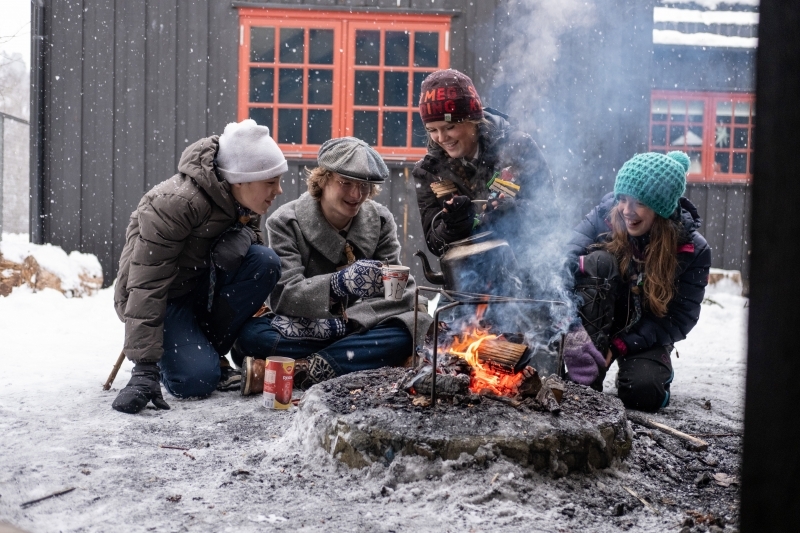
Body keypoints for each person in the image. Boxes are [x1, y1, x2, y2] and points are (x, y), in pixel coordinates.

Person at [112, 119, 286, 414]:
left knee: (265, 262)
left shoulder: (245, 201)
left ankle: (203, 350)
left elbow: (252, 255)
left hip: (202, 288)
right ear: (240, 178)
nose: (278, 191)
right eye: (271, 182)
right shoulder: (175, 203)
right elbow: (145, 284)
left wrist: (241, 237)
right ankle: (188, 361)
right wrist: (144, 368)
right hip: (165, 298)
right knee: (195, 381)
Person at [234, 137, 432, 391]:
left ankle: (297, 370)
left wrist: (355, 320)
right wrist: (339, 284)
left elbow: (398, 293)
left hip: (363, 326)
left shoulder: (381, 220)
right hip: (310, 328)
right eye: (345, 182)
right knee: (253, 336)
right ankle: (363, 358)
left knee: (411, 326)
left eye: (364, 185)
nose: (356, 194)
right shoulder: (285, 222)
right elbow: (285, 295)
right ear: (323, 178)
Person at [564, 151, 711, 412]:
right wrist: (572, 328)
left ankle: (653, 371)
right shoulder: (603, 217)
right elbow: (562, 263)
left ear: (661, 207)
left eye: (639, 203)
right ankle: (589, 372)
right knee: (598, 261)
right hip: (597, 317)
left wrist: (621, 345)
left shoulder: (693, 250)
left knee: (643, 394)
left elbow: (679, 318)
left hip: (646, 331)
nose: (626, 211)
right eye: (622, 199)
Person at [412, 69, 557, 261]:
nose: (441, 138)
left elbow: (551, 217)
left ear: (473, 119)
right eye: (432, 130)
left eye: (450, 127)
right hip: (465, 281)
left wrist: (515, 213)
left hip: (526, 270)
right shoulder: (428, 171)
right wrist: (452, 225)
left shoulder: (518, 148)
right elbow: (435, 244)